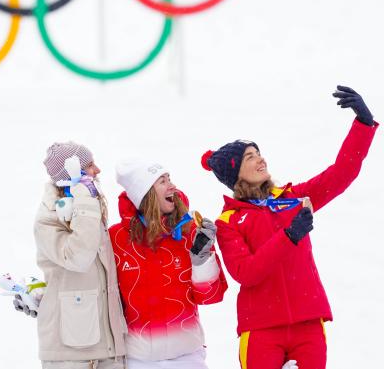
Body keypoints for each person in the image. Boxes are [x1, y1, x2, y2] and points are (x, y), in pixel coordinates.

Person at [201, 85, 378, 369]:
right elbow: (246, 273)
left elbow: (341, 174)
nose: (261, 158)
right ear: (235, 173)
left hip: (308, 325)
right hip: (261, 331)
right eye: (250, 157)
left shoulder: (292, 199)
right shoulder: (229, 222)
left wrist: (364, 124)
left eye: (259, 153)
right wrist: (289, 235)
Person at [109, 159, 228, 369]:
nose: (172, 185)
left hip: (188, 357)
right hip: (138, 360)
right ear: (144, 193)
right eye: (162, 181)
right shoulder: (116, 238)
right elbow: (101, 292)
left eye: (170, 178)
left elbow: (211, 296)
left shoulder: (189, 231)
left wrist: (202, 259)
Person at [35, 141, 127, 369]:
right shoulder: (48, 217)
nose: (97, 170)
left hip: (107, 347)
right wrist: (85, 200)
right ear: (70, 175)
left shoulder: (86, 207)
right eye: (89, 165)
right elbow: (79, 258)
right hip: (72, 354)